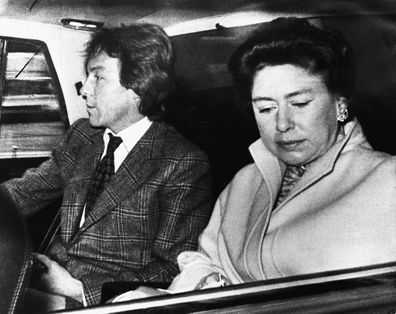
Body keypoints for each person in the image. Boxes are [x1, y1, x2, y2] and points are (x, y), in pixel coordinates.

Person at [132, 17, 396, 296]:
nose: (282, 123)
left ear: (340, 103)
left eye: (299, 103)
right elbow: (207, 261)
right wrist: (204, 281)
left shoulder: (387, 179)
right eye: (266, 108)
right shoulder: (244, 183)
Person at [1, 23, 213, 309]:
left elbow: (173, 268)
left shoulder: (182, 162)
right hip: (43, 280)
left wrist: (78, 289)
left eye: (98, 77)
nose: (84, 89)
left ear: (139, 86)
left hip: (107, 302)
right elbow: (24, 193)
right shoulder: (82, 137)